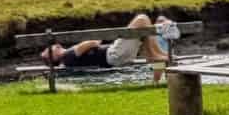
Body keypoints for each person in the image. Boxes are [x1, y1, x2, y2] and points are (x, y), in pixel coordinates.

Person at [40, 13, 169, 76]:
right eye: (50, 50)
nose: (53, 46)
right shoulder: (68, 55)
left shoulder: (68, 58)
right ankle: (154, 55)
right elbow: (93, 42)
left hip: (115, 55)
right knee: (141, 19)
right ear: (55, 57)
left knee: (143, 26)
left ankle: (154, 55)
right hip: (114, 54)